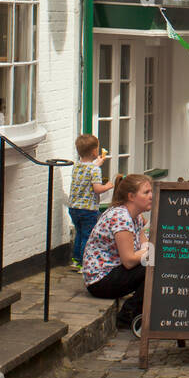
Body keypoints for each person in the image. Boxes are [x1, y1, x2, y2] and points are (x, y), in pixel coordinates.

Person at [83, 174, 153, 328]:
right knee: (152, 268)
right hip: (100, 280)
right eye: (146, 192)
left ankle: (140, 311)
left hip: (114, 271)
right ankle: (128, 315)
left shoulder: (135, 216)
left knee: (154, 264)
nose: (151, 196)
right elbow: (129, 260)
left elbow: (145, 245)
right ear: (131, 196)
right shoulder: (121, 218)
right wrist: (153, 252)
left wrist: (150, 252)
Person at [67, 133, 113, 273]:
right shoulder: (95, 170)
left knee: (79, 233)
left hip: (74, 207)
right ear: (94, 151)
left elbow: (87, 171)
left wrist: (96, 163)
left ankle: (76, 261)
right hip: (88, 209)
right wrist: (109, 186)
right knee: (88, 235)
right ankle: (84, 263)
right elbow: (97, 189)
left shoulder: (77, 166)